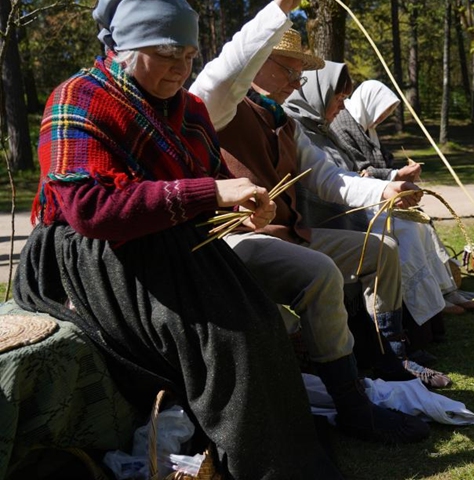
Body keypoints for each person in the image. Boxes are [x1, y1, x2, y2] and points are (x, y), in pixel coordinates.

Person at [12, 0, 344, 478]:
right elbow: (90, 211)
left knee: (256, 323)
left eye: (189, 55)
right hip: (90, 257)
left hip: (172, 241)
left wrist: (243, 206)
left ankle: (278, 452)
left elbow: (208, 184)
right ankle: (260, 459)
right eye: (167, 52)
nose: (181, 67)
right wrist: (211, 192)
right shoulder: (78, 97)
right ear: (125, 48)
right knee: (226, 335)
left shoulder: (188, 110)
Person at [189, 23, 452, 390]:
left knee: (383, 250)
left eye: (301, 74)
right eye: (289, 70)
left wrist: (386, 188)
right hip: (239, 241)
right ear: (258, 62)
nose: (297, 83)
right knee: (322, 270)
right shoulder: (222, 107)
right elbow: (221, 73)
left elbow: (330, 179)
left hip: (292, 235)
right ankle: (346, 392)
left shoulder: (287, 123)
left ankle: (390, 352)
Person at [327, 79, 474, 315]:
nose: (383, 117)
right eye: (383, 110)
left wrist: (401, 171)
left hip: (378, 199)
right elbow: (357, 171)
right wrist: (396, 174)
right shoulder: (343, 125)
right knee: (408, 229)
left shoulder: (365, 125)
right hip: (359, 205)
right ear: (370, 103)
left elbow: (382, 162)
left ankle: (445, 291)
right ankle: (426, 302)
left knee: (422, 224)